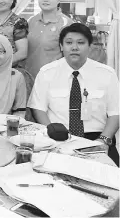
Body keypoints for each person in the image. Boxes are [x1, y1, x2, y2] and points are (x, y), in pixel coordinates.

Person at [29, 23, 119, 166]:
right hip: (59, 137)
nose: (74, 47)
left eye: (81, 43)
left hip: (96, 138)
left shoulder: (107, 74)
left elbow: (115, 113)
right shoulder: (47, 73)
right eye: (69, 42)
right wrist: (52, 134)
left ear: (90, 46)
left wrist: (104, 140)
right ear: (61, 46)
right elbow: (38, 109)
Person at [25, 0, 73, 79]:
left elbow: (71, 56)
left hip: (54, 80)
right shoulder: (30, 21)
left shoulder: (66, 23)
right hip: (30, 78)